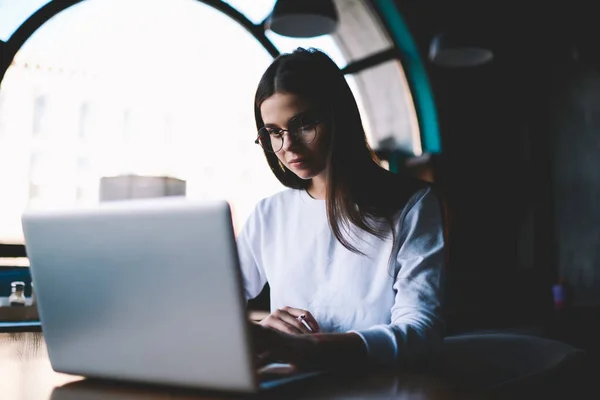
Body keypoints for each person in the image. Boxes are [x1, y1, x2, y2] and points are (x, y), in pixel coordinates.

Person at [237, 47, 446, 371]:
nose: (288, 145)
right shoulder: (268, 215)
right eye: (274, 132)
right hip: (295, 391)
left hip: (382, 387)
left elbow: (420, 333)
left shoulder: (411, 205)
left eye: (303, 124)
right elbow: (214, 312)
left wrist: (306, 348)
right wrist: (266, 334)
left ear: (339, 117)